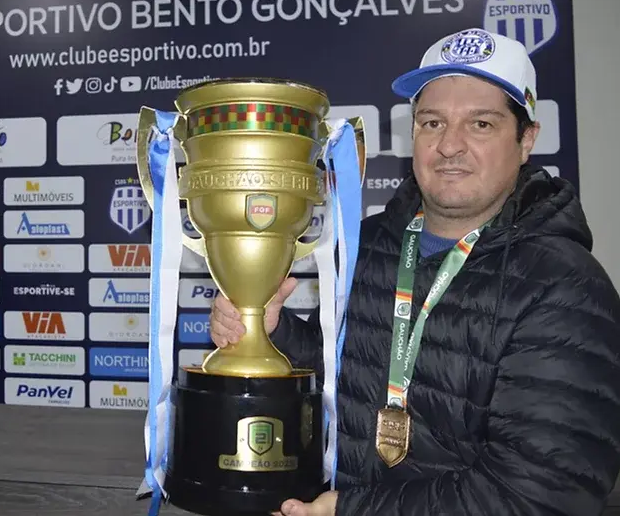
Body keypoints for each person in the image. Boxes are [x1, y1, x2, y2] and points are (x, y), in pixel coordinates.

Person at [209, 27, 620, 516]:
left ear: (526, 138)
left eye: (481, 124)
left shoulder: (566, 287)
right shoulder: (367, 244)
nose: (449, 145)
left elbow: (543, 493)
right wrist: (274, 336)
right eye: (432, 122)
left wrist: (354, 510)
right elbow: (345, 379)